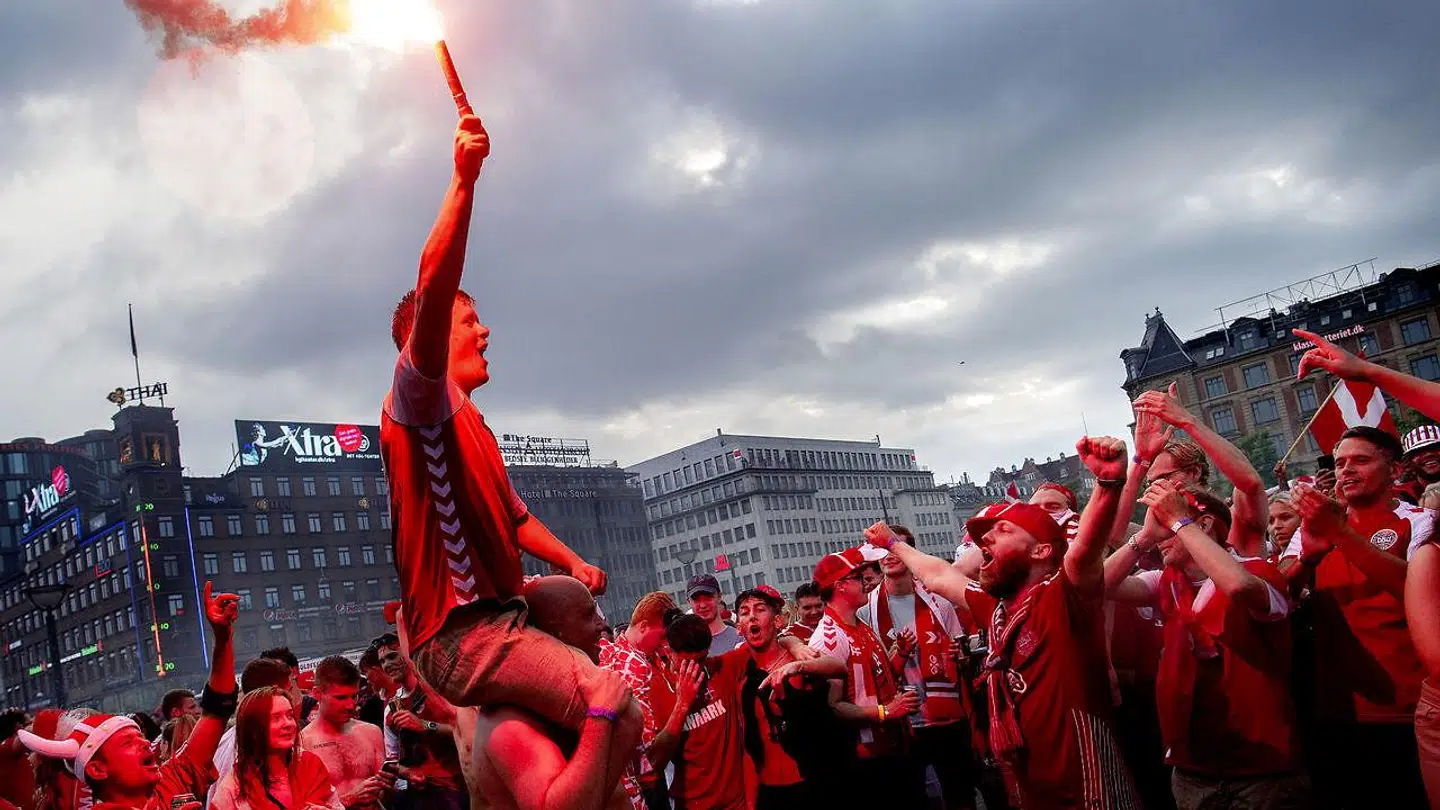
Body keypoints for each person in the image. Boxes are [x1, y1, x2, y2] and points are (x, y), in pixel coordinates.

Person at [381, 114, 634, 769]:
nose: (487, 330)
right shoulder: (419, 397)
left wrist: (575, 564)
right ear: (430, 337)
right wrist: (463, 181)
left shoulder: (474, 426)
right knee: (620, 709)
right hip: (465, 633)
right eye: (472, 319)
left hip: (499, 614)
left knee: (574, 608)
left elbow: (515, 517)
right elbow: (433, 283)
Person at [872, 436, 1141, 810]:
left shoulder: (1062, 596)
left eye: (1002, 531)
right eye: (985, 537)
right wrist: (892, 544)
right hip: (1029, 791)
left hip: (1087, 791)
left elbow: (1084, 551)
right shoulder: (995, 610)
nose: (986, 542)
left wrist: (1109, 484)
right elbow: (939, 575)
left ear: (1041, 551)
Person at [1106, 479, 1307, 808]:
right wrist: (1143, 537)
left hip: (1261, 769)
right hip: (1193, 769)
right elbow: (1099, 585)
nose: (1160, 537)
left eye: (1165, 525)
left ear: (1204, 524)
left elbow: (1238, 588)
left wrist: (1180, 522)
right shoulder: (1167, 582)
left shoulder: (1258, 570)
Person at [1279, 427, 1430, 808]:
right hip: (1336, 707)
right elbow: (1278, 598)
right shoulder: (1312, 526)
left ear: (1395, 471)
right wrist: (1308, 558)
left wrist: (1340, 534)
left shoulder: (1422, 521)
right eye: (1341, 462)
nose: (1346, 470)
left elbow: (1415, 588)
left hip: (1406, 709)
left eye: (1360, 460)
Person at [21, 582, 240, 810]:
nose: (145, 743)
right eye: (128, 742)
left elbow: (215, 713)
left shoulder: (168, 786)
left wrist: (223, 640)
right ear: (97, 769)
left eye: (139, 737)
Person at [469, 576, 639, 810]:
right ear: (552, 634)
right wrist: (601, 716)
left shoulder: (564, 704)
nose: (602, 624)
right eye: (589, 615)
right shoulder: (508, 721)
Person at [860, 525, 981, 810]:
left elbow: (960, 650)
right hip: (902, 721)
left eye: (895, 548)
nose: (889, 556)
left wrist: (960, 658)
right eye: (883, 550)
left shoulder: (938, 601)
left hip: (947, 718)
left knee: (960, 796)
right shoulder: (866, 610)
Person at [808, 545, 925, 808]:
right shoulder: (828, 638)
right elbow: (833, 707)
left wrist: (901, 654)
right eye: (858, 577)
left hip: (893, 746)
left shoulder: (861, 625)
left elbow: (880, 678)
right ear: (839, 586)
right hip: (865, 759)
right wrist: (886, 711)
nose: (865, 582)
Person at [598, 592, 676, 810]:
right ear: (643, 626)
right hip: (640, 780)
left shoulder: (609, 652)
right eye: (661, 637)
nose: (663, 644)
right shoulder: (635, 662)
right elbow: (645, 737)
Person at [211, 686, 341, 810]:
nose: (288, 724)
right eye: (276, 718)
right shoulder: (234, 787)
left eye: (290, 715)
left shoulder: (310, 765)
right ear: (254, 730)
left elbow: (336, 806)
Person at [375, 635, 467, 810]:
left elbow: (469, 734)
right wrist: (408, 773)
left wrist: (425, 726)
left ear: (408, 652)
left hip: (459, 789)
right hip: (419, 797)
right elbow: (393, 760)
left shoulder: (440, 691)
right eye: (382, 661)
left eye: (392, 656)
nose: (387, 664)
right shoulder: (391, 708)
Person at [300, 657, 394, 810]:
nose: (350, 705)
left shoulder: (371, 733)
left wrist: (388, 785)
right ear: (317, 694)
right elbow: (304, 806)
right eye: (341, 698)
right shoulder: (303, 744)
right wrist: (349, 799)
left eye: (354, 696)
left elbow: (386, 797)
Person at [685, 575, 741, 655]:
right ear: (689, 602)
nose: (703, 605)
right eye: (696, 599)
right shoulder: (685, 646)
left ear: (719, 597)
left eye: (708, 598)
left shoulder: (739, 639)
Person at [0, 709, 34, 810]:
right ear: (18, 726)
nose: (31, 725)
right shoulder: (5, 748)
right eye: (28, 723)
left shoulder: (21, 754)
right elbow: (25, 737)